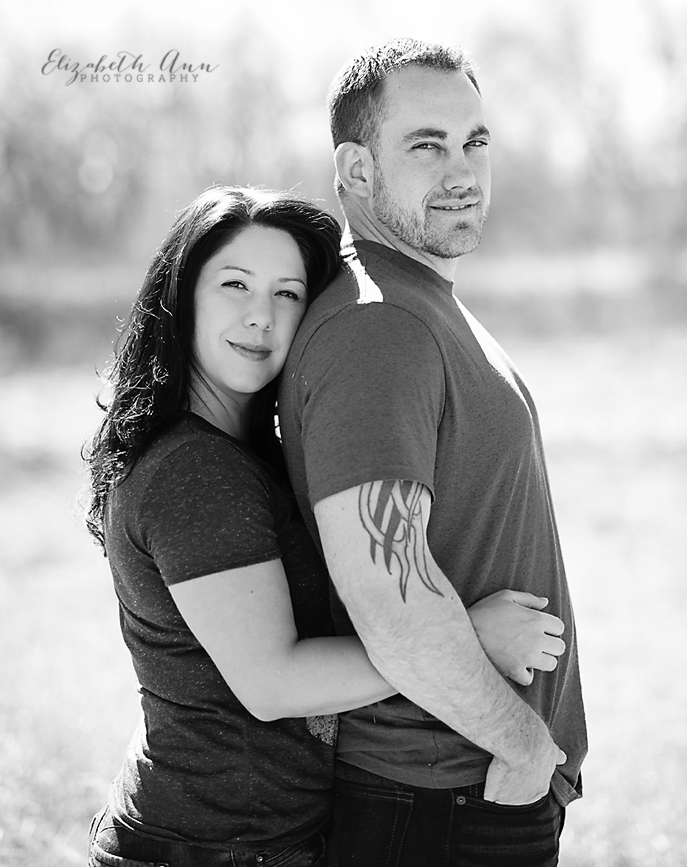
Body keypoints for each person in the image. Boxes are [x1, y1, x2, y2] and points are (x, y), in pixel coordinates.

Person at [84, 183, 568, 867]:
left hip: (244, 838)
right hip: (209, 847)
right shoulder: (196, 471)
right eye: (234, 284)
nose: (261, 317)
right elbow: (273, 682)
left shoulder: (237, 455)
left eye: (286, 293)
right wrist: (467, 640)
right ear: (180, 296)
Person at [278, 39, 587, 866]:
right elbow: (390, 598)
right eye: (426, 145)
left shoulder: (417, 303)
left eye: (474, 142)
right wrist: (523, 746)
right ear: (355, 169)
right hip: (439, 800)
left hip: (460, 792)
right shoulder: (378, 327)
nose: (462, 171)